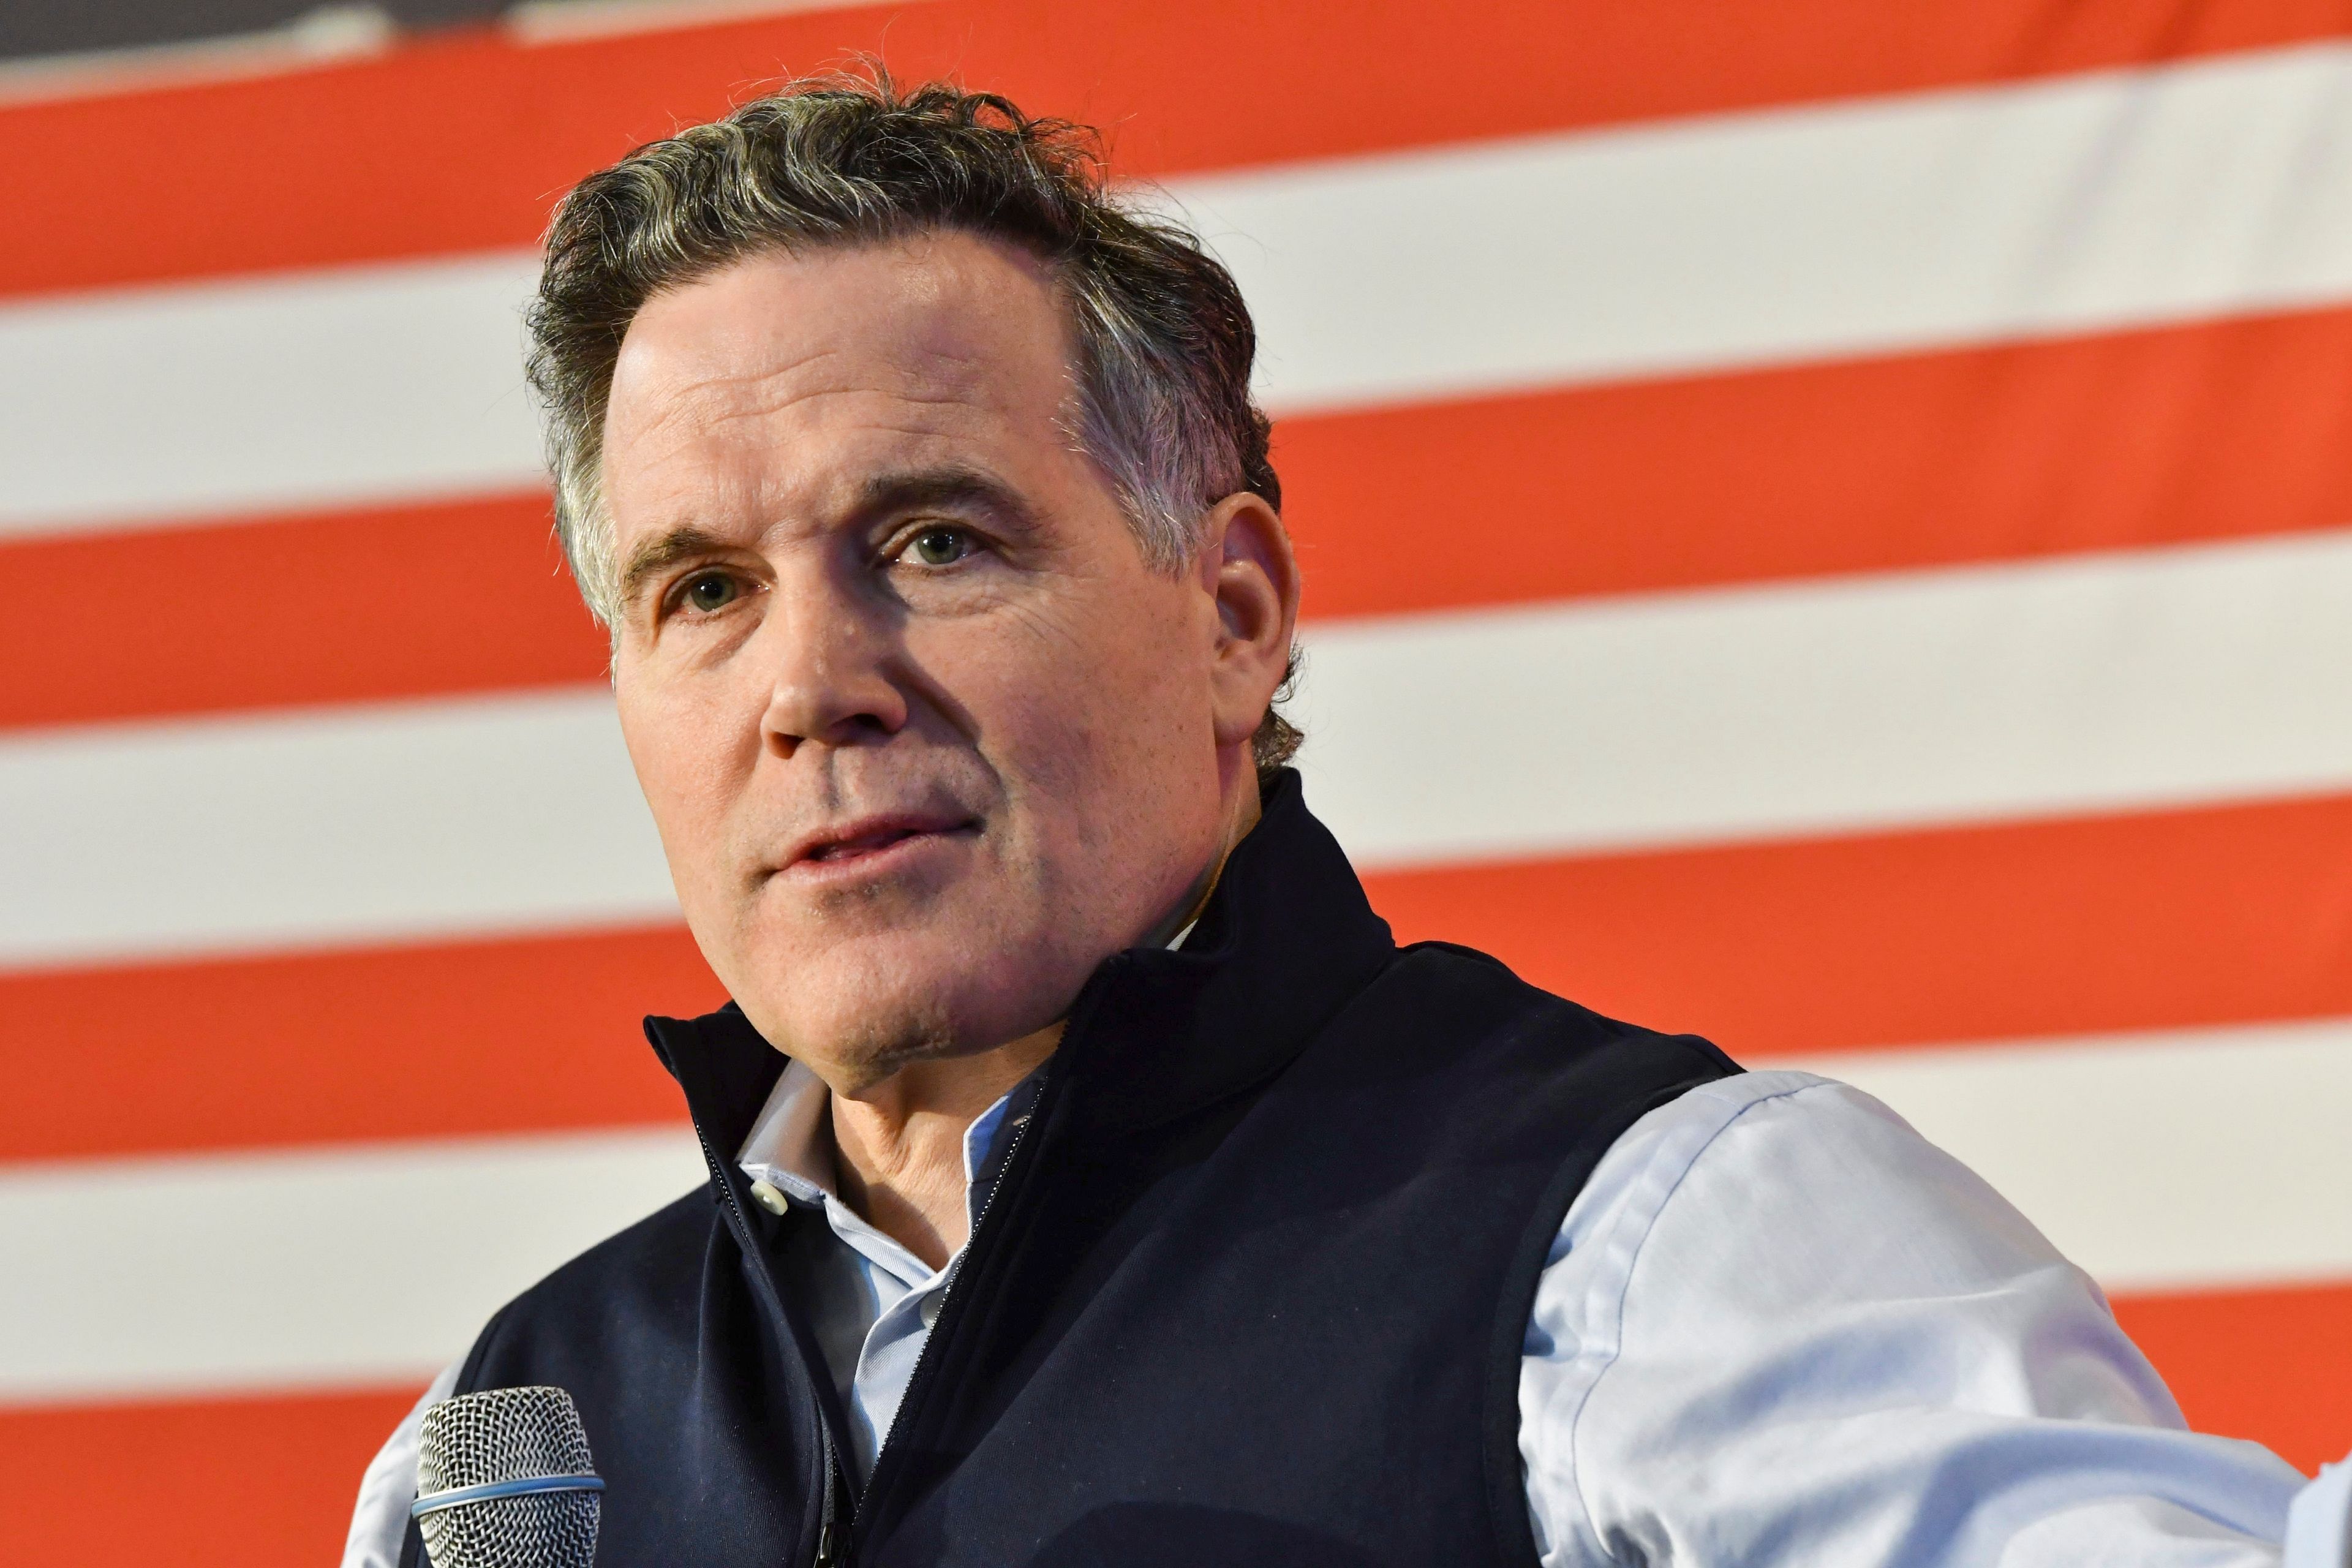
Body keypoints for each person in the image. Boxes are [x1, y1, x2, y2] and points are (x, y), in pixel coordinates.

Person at [345, 73, 2350, 1568]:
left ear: (1232, 618)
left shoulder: (1653, 1244)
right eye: (701, 591)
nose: (810, 684)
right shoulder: (519, 1428)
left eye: (934, 540)